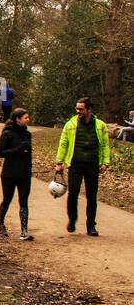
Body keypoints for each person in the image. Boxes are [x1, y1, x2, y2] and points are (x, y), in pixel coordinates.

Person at [54, 95, 111, 237]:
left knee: (92, 195)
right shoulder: (70, 124)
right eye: (77, 108)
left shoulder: (100, 125)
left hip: (92, 164)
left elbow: (104, 145)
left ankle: (91, 225)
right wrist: (59, 163)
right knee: (73, 193)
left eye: (81, 109)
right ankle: (72, 220)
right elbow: (63, 144)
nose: (78, 111)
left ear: (89, 109)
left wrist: (105, 162)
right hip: (75, 164)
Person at [0, 106, 33, 240]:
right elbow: (0, 153)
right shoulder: (7, 133)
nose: (28, 120)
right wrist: (18, 149)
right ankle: (1, 224)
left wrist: (29, 168)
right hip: (9, 173)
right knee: (7, 199)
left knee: (24, 201)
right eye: (25, 118)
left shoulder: (27, 134)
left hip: (24, 173)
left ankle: (24, 230)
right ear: (17, 119)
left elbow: (28, 154)